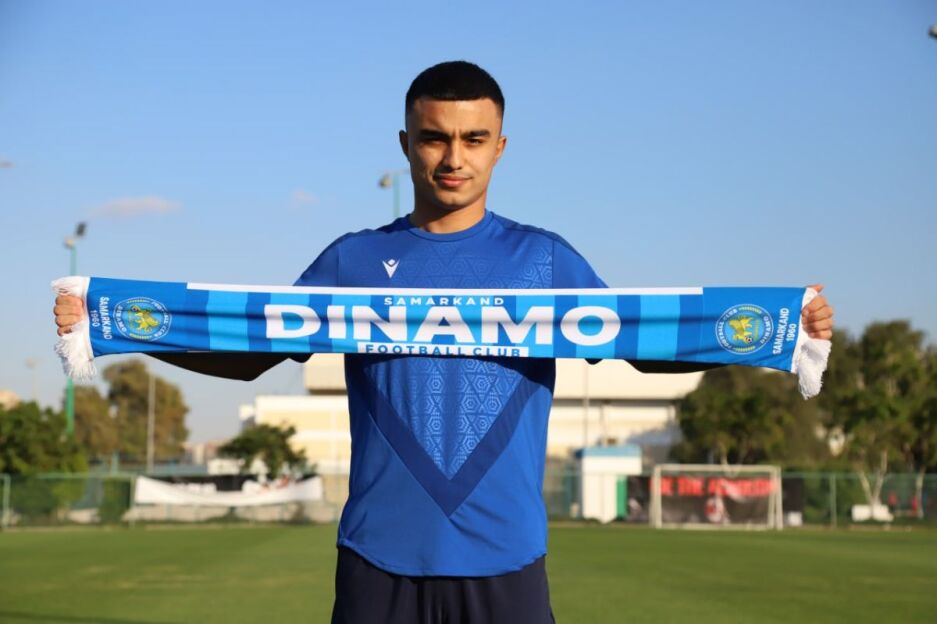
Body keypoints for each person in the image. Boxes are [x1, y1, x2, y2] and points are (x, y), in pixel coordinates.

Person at [54, 61, 835, 623]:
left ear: (500, 146)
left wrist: (774, 331)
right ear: (405, 143)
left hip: (506, 561)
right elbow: (253, 344)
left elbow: (640, 339)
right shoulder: (353, 261)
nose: (453, 157)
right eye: (434, 138)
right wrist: (115, 322)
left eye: (473, 138)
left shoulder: (544, 261)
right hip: (377, 559)